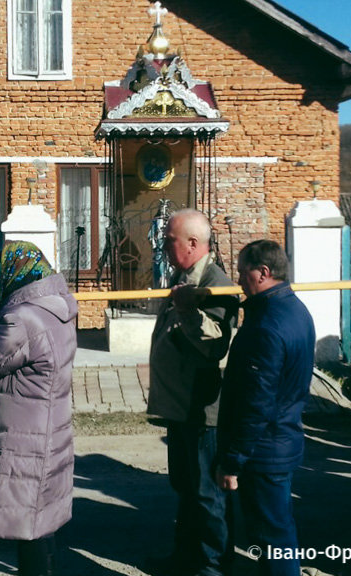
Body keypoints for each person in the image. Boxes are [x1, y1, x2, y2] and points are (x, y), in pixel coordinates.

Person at [0, 241, 78, 576]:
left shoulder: (21, 318)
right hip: (49, 425)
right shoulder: (56, 309)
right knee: (41, 519)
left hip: (24, 434)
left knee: (28, 523)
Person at [146, 209, 238, 576]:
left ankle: (213, 567)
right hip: (181, 407)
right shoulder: (183, 276)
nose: (164, 247)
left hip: (202, 410)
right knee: (185, 488)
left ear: (193, 244)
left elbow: (214, 346)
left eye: (169, 241)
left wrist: (188, 311)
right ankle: (185, 558)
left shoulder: (216, 283)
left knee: (207, 494)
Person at [216, 240, 315, 576]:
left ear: (263, 272)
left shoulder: (266, 326)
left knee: (271, 536)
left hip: (265, 449)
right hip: (282, 437)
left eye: (243, 272)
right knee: (279, 528)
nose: (239, 280)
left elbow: (255, 403)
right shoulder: (294, 309)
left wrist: (233, 461)